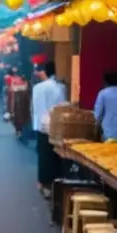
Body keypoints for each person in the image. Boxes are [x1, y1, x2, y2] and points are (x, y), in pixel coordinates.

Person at [32, 61, 67, 198]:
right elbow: (62, 107)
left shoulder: (37, 88)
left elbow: (34, 108)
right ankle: (55, 184)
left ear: (43, 72)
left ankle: (43, 183)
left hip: (41, 126)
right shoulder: (61, 87)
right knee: (56, 155)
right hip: (57, 126)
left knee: (43, 155)